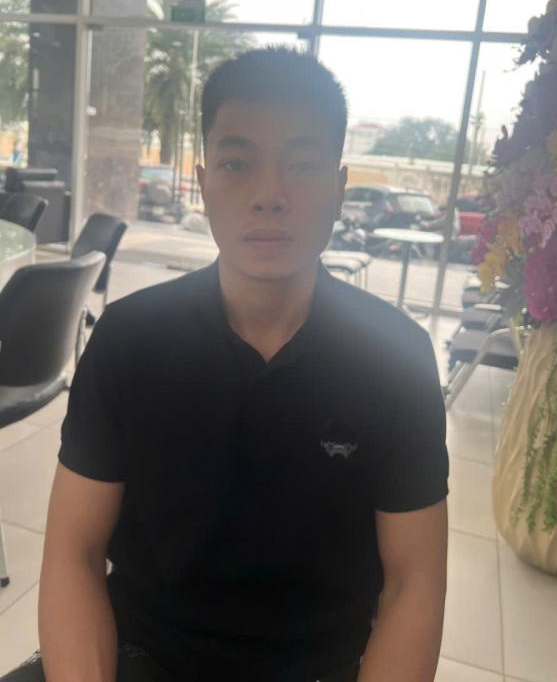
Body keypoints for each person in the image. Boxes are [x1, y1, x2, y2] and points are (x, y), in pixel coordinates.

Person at [2, 47, 449, 682]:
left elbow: (414, 582)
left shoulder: (396, 357)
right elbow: (75, 550)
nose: (270, 195)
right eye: (238, 164)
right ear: (204, 183)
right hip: (140, 657)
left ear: (339, 187)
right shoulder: (130, 338)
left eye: (302, 165)